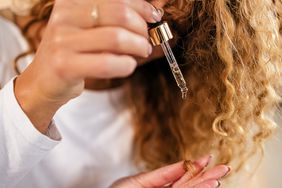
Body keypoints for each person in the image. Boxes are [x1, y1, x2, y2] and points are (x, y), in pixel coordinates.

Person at [0, 0, 281, 187]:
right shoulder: (5, 43)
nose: (133, 26)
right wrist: (36, 92)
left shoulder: (175, 114)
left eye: (166, 25)